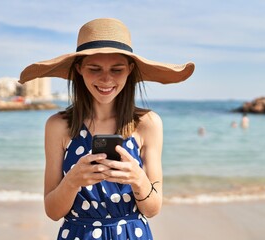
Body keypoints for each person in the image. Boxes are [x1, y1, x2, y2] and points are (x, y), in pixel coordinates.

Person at [19, 18, 195, 239]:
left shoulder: (148, 123)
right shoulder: (58, 125)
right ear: (79, 69)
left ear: (130, 70)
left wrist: (138, 178)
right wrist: (73, 181)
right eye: (94, 68)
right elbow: (53, 212)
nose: (106, 79)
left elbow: (152, 209)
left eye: (117, 69)